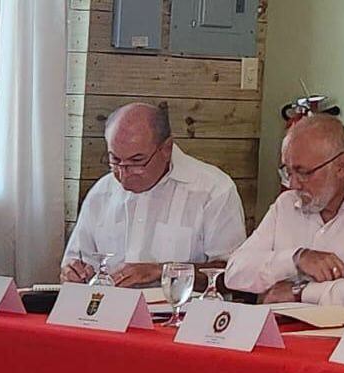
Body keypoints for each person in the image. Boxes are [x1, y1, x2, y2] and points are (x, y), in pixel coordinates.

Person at [224, 115, 344, 308]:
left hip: (343, 327)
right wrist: (296, 259)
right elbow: (235, 272)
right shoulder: (286, 204)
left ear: (341, 166)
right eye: (288, 172)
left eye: (303, 173)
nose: (293, 184)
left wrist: (299, 292)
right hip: (277, 325)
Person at [62, 103, 245, 287]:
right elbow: (75, 261)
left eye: (137, 161)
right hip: (108, 303)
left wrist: (163, 271)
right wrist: (73, 272)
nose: (124, 173)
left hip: (179, 305)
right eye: (114, 159)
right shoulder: (102, 191)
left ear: (166, 149)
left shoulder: (213, 190)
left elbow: (233, 276)